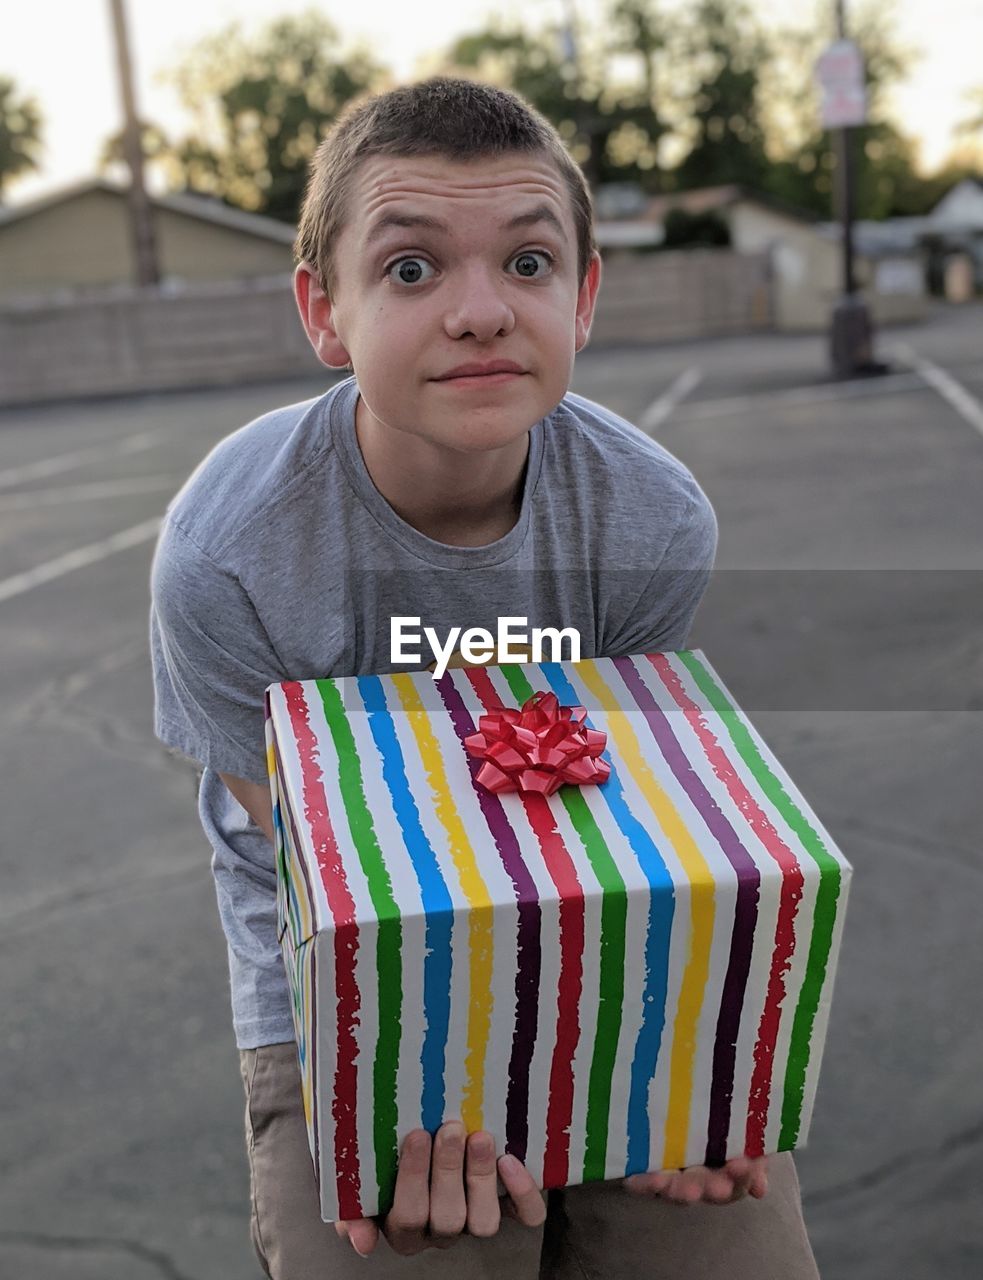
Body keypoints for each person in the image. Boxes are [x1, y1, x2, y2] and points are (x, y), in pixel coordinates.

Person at [150, 76, 821, 1279]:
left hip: (612, 940)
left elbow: (641, 822)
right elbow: (315, 870)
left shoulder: (651, 516)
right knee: (411, 1246)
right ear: (324, 310)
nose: (479, 312)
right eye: (410, 270)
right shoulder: (228, 550)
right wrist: (422, 1081)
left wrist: (671, 1063)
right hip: (342, 986)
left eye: (526, 262)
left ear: (583, 295)